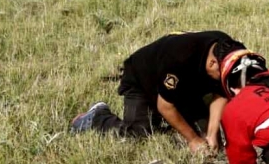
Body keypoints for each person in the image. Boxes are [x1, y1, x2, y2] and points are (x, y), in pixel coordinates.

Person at [70, 31, 237, 153]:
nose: (223, 79)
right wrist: (193, 140)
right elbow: (165, 106)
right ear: (212, 63)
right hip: (141, 80)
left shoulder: (227, 48)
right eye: (221, 75)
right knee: (139, 132)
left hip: (185, 86)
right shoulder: (179, 59)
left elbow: (220, 91)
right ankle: (97, 118)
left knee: (208, 135)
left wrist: (213, 132)